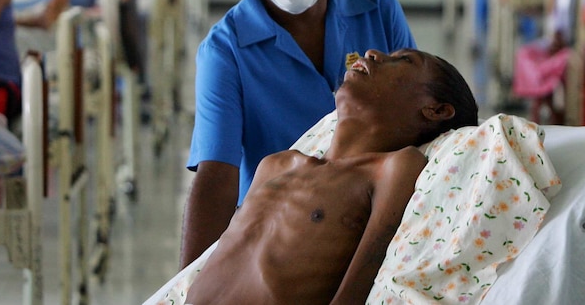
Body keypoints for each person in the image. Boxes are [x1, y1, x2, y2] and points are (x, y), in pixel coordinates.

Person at [181, 0, 417, 269]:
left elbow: (419, 117)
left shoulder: (377, 10)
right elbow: (216, 177)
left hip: (381, 218)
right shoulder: (226, 49)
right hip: (279, 234)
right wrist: (186, 290)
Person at [185, 48, 478, 304]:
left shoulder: (390, 170)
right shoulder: (276, 164)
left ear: (436, 110)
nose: (374, 53)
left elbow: (359, 287)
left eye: (403, 60)